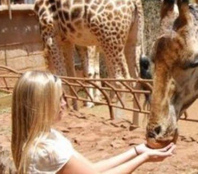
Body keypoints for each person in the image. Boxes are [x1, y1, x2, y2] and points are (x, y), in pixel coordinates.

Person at [11, 70, 176, 174]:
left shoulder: (47, 138)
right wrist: (144, 157)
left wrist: (137, 151)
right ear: (42, 105)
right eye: (59, 98)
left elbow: (92, 169)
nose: (64, 104)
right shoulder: (47, 151)